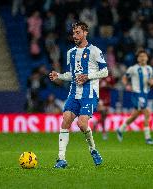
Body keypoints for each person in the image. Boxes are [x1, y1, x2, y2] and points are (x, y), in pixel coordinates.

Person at [49, 21, 108, 168]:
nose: (75, 35)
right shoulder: (71, 53)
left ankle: (93, 150)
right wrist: (59, 76)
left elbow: (105, 71)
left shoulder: (95, 51)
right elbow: (72, 74)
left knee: (82, 124)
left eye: (78, 32)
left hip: (89, 94)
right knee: (65, 121)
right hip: (74, 93)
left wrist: (88, 76)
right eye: (73, 33)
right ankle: (61, 158)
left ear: (85, 33)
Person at [116, 50, 153, 145]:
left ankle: (120, 129)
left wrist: (152, 83)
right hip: (137, 94)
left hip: (145, 94)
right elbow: (124, 78)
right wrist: (127, 86)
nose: (142, 58)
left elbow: (151, 80)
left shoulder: (149, 69)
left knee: (135, 116)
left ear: (147, 58)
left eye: (144, 56)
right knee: (147, 113)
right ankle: (148, 138)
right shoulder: (133, 68)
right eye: (140, 56)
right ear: (138, 59)